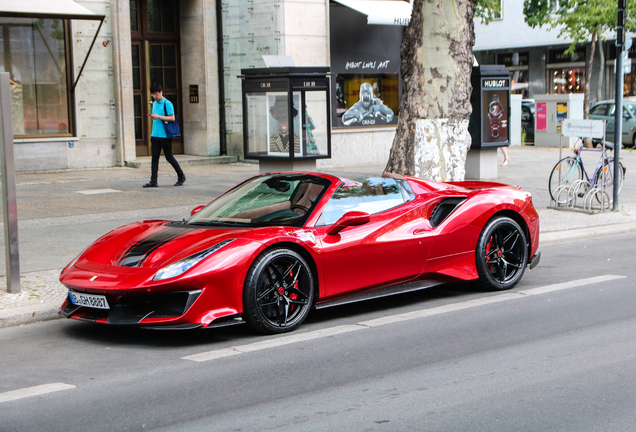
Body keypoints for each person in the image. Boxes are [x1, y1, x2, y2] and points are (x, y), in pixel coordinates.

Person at [143, 83, 186, 187]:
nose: (154, 96)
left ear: (161, 92)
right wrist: (153, 117)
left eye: (156, 94)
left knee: (169, 157)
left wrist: (158, 117)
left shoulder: (167, 103)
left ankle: (181, 176)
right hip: (155, 135)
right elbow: (157, 117)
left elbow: (172, 118)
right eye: (152, 94)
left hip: (165, 136)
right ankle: (153, 181)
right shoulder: (154, 104)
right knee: (154, 159)